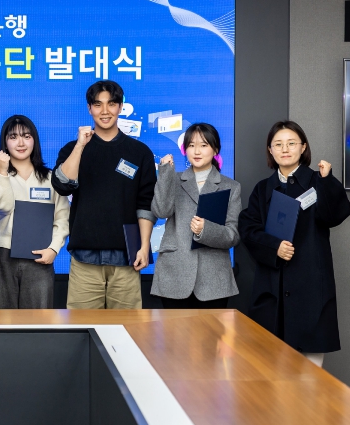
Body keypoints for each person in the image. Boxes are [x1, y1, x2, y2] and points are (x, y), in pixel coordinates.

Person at [239, 120, 350, 368]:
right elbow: (248, 229)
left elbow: (335, 215)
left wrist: (327, 181)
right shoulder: (262, 189)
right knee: (271, 373)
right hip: (272, 291)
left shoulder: (318, 180)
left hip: (312, 291)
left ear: (303, 147)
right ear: (270, 150)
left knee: (310, 376)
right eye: (278, 144)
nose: (285, 149)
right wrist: (274, 247)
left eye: (291, 143)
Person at [51, 80, 156, 309]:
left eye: (111, 104)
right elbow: (63, 185)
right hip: (84, 258)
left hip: (126, 259)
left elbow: (146, 204)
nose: (105, 111)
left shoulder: (140, 152)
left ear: (120, 107)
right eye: (98, 104)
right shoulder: (72, 149)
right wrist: (80, 146)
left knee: (128, 326)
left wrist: (144, 246)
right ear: (89, 108)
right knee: (81, 326)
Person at [150, 123, 240, 308]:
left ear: (215, 149)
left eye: (204, 145)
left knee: (211, 328)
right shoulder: (174, 179)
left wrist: (206, 230)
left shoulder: (230, 186)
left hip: (213, 279)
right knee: (174, 328)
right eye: (191, 145)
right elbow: (161, 211)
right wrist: (165, 173)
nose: (197, 151)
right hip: (175, 273)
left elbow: (233, 235)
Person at [0, 115, 69, 309]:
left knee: (38, 319)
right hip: (3, 256)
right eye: (13, 137)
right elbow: (1, 208)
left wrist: (54, 248)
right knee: (3, 318)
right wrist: (3, 173)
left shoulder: (51, 178)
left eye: (26, 136)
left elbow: (62, 218)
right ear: (5, 142)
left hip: (40, 256)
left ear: (34, 140)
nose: (20, 143)